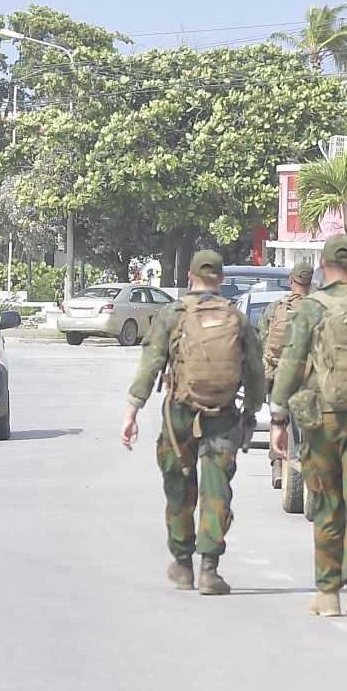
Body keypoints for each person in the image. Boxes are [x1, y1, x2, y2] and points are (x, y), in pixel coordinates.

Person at [121, 249, 265, 595]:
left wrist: (132, 411)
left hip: (180, 414)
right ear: (222, 279)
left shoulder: (173, 314)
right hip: (223, 415)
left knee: (179, 487)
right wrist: (252, 411)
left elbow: (152, 362)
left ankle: (182, 564)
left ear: (189, 276)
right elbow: (255, 373)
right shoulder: (236, 318)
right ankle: (209, 570)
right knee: (216, 491)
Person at [271, 234, 347, 619]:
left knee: (326, 501)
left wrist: (277, 417)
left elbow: (290, 363)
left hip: (322, 420)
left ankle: (327, 593)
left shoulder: (312, 307)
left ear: (323, 266)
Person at [261, 260, 316, 492]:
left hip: (278, 375)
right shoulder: (318, 308)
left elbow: (263, 338)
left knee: (278, 419)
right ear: (311, 283)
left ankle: (277, 465)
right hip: (308, 378)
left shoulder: (276, 308)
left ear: (291, 280)